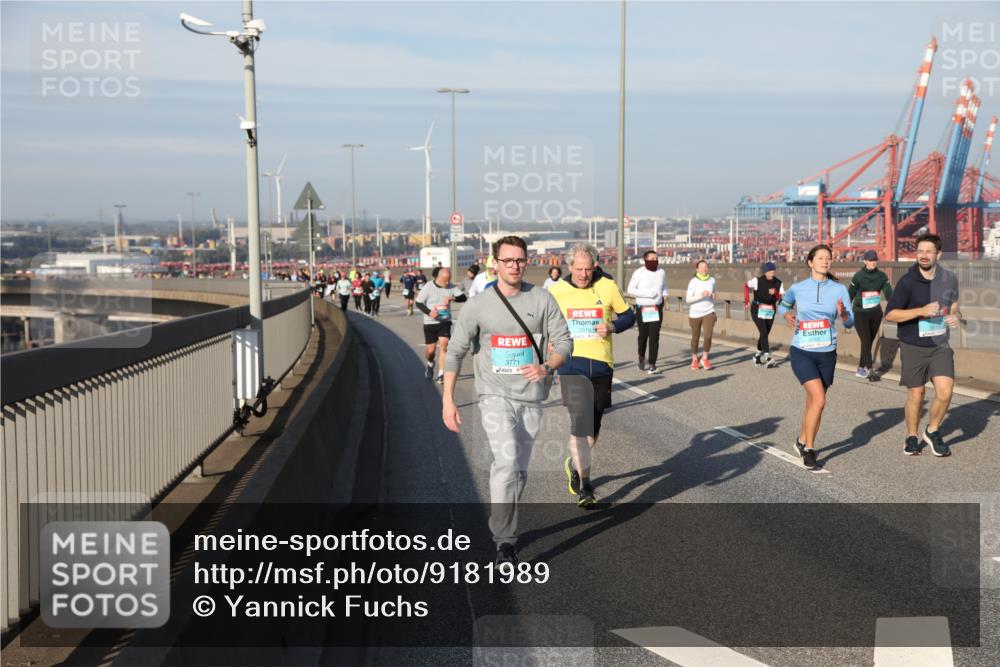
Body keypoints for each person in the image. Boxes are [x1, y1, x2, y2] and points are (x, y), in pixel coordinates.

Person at [442, 236, 572, 565]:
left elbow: (565, 343)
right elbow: (455, 352)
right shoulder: (478, 305)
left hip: (531, 396)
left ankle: (506, 529)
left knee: (520, 471)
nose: (514, 266)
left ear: (526, 262)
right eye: (508, 260)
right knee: (506, 461)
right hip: (493, 395)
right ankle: (504, 541)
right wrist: (448, 400)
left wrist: (546, 366)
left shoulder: (542, 299)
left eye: (520, 260)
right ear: (496, 263)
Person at [550, 244, 635, 507]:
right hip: (570, 364)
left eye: (588, 269)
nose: (584, 275)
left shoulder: (607, 286)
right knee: (580, 423)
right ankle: (586, 486)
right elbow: (544, 322)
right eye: (578, 269)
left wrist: (612, 325)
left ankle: (574, 465)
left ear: (595, 267)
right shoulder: (557, 291)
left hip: (601, 365)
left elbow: (629, 316)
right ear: (569, 267)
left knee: (594, 427)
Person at [777, 244, 854, 470]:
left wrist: (843, 314)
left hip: (827, 353)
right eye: (820, 258)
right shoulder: (798, 288)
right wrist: (787, 315)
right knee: (819, 399)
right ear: (810, 262)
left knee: (814, 403)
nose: (825, 261)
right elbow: (782, 305)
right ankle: (809, 449)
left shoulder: (839, 290)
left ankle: (801, 440)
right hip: (802, 350)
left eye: (828, 258)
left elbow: (850, 321)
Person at [884, 233, 961, 457]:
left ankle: (932, 430)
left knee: (945, 392)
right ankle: (911, 436)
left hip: (940, 344)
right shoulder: (907, 281)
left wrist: (956, 316)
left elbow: (954, 303)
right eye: (920, 251)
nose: (923, 255)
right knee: (916, 395)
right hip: (913, 345)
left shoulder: (949, 278)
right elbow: (890, 314)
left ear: (939, 254)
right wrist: (921, 311)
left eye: (928, 251)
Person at [415, 266, 467, 382]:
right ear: (438, 278)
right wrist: (429, 312)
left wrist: (452, 298)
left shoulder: (450, 286)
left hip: (444, 321)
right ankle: (430, 363)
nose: (447, 282)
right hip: (430, 322)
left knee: (444, 345)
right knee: (431, 351)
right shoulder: (428, 287)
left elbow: (463, 297)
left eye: (449, 279)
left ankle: (441, 373)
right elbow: (418, 303)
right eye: (445, 280)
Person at [848, 250, 893, 378]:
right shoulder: (858, 276)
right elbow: (850, 294)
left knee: (867, 342)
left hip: (875, 313)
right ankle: (870, 369)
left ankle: (861, 368)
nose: (873, 262)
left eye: (874, 260)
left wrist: (896, 306)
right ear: (865, 261)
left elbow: (889, 294)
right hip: (860, 312)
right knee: (866, 340)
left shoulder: (882, 276)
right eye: (870, 260)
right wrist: (845, 312)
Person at [628, 250, 669, 373]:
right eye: (652, 258)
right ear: (645, 260)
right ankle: (641, 356)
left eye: (656, 258)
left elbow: (664, 286)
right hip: (643, 308)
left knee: (654, 337)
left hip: (656, 308)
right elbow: (631, 289)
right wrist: (648, 294)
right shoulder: (639, 272)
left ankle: (652, 364)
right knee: (643, 336)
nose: (654, 260)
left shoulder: (661, 272)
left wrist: (665, 294)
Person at [743, 262, 784, 368]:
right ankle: (768, 357)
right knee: (764, 332)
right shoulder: (757, 281)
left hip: (770, 310)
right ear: (765, 272)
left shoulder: (778, 282)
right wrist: (746, 300)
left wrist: (775, 293)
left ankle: (757, 356)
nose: (771, 274)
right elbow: (746, 286)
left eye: (773, 272)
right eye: (769, 272)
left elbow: (780, 296)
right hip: (757, 309)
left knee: (764, 334)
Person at [685, 259, 717, 370]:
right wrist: (700, 295)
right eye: (702, 267)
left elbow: (713, 292)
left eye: (705, 267)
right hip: (695, 313)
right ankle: (694, 359)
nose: (704, 269)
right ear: (697, 269)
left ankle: (704, 358)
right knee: (695, 337)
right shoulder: (693, 281)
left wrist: (713, 295)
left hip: (709, 311)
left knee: (708, 336)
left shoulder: (712, 280)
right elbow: (688, 300)